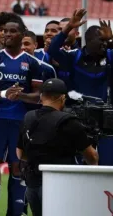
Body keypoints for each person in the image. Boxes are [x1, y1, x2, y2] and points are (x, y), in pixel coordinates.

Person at [0, 13, 44, 216]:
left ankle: (14, 212)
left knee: (17, 166)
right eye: (5, 31)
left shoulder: (32, 63)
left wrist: (21, 95)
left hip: (20, 121)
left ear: (22, 34)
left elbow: (38, 96)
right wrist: (3, 94)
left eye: (12, 31)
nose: (7, 34)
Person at [17, 79, 99, 216]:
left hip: (32, 184)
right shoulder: (69, 121)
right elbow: (92, 156)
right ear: (62, 98)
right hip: (59, 185)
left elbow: (20, 154)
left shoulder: (28, 117)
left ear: (42, 96)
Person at [47, 9, 113, 165]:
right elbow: (53, 50)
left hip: (105, 122)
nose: (104, 44)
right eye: (100, 40)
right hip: (78, 120)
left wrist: (111, 40)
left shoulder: (110, 56)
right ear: (89, 41)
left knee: (107, 165)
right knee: (76, 165)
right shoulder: (74, 57)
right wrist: (68, 27)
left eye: (106, 41)